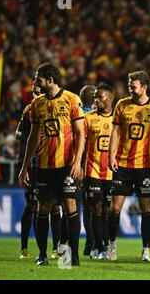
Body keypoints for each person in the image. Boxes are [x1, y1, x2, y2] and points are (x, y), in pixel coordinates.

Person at [18, 62, 85, 266]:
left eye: (38, 77)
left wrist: (77, 162)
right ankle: (42, 254)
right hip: (45, 166)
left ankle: (71, 256)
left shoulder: (72, 99)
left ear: (50, 80)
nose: (36, 81)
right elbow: (32, 138)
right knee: (43, 208)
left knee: (70, 206)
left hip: (66, 165)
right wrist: (24, 168)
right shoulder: (36, 105)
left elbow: (81, 133)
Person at [107, 71, 150, 262]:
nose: (130, 89)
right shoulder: (121, 105)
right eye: (129, 86)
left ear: (144, 87)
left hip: (145, 166)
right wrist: (111, 156)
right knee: (115, 208)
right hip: (122, 164)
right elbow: (115, 133)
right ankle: (112, 246)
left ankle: (146, 250)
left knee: (146, 208)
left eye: (133, 86)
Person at [16, 81, 61, 260]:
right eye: (33, 93)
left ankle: (56, 248)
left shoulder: (56, 107)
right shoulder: (29, 110)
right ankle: (25, 247)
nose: (35, 97)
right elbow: (18, 134)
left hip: (52, 164)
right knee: (32, 206)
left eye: (37, 93)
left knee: (56, 207)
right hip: (33, 165)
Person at [83, 83, 114, 260]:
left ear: (109, 98)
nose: (96, 100)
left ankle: (105, 243)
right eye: (95, 96)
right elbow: (81, 144)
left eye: (99, 96)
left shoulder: (118, 118)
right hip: (92, 170)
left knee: (108, 211)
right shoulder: (88, 118)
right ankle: (99, 246)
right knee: (96, 208)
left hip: (112, 172)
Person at [79, 84, 97, 256]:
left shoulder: (79, 113)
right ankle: (95, 244)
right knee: (93, 208)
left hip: (85, 164)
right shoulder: (88, 116)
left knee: (85, 208)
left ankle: (90, 244)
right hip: (90, 165)